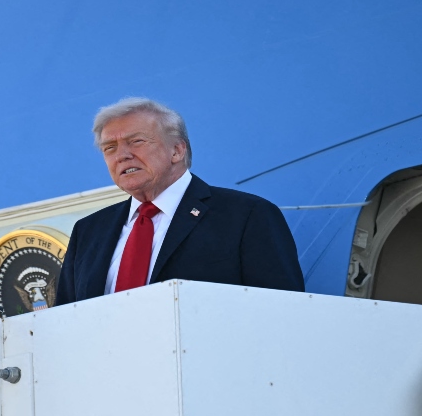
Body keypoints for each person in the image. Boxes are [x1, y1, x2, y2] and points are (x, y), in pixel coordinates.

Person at [55, 97, 304, 305]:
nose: (122, 155)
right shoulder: (88, 232)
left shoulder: (248, 216)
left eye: (136, 141)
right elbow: (65, 319)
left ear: (177, 150)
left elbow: (282, 311)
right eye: (110, 148)